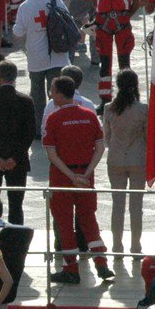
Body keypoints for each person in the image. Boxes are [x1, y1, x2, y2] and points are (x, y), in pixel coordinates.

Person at [43, 75, 110, 286]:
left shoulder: (53, 119)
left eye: (53, 91)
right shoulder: (90, 116)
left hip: (62, 177)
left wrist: (72, 177)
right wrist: (86, 174)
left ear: (61, 95)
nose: (51, 95)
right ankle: (102, 263)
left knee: (64, 224)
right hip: (85, 177)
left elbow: (51, 154)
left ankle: (71, 269)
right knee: (89, 220)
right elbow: (100, 147)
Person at [0, 60, 38, 226]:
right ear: (15, 78)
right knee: (16, 206)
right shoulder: (26, 101)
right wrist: (16, 157)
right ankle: (17, 241)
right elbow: (30, 133)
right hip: (17, 163)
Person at [104, 69, 149, 264]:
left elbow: (106, 137)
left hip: (115, 158)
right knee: (136, 206)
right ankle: (136, 245)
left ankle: (117, 245)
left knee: (118, 205)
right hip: (137, 157)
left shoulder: (109, 108)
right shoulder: (142, 109)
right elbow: (147, 136)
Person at [13, 0, 69, 114]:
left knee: (37, 96)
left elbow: (17, 33)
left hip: (36, 58)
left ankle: (39, 129)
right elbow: (68, 20)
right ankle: (57, 124)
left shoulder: (24, 7)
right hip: (57, 55)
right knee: (57, 95)